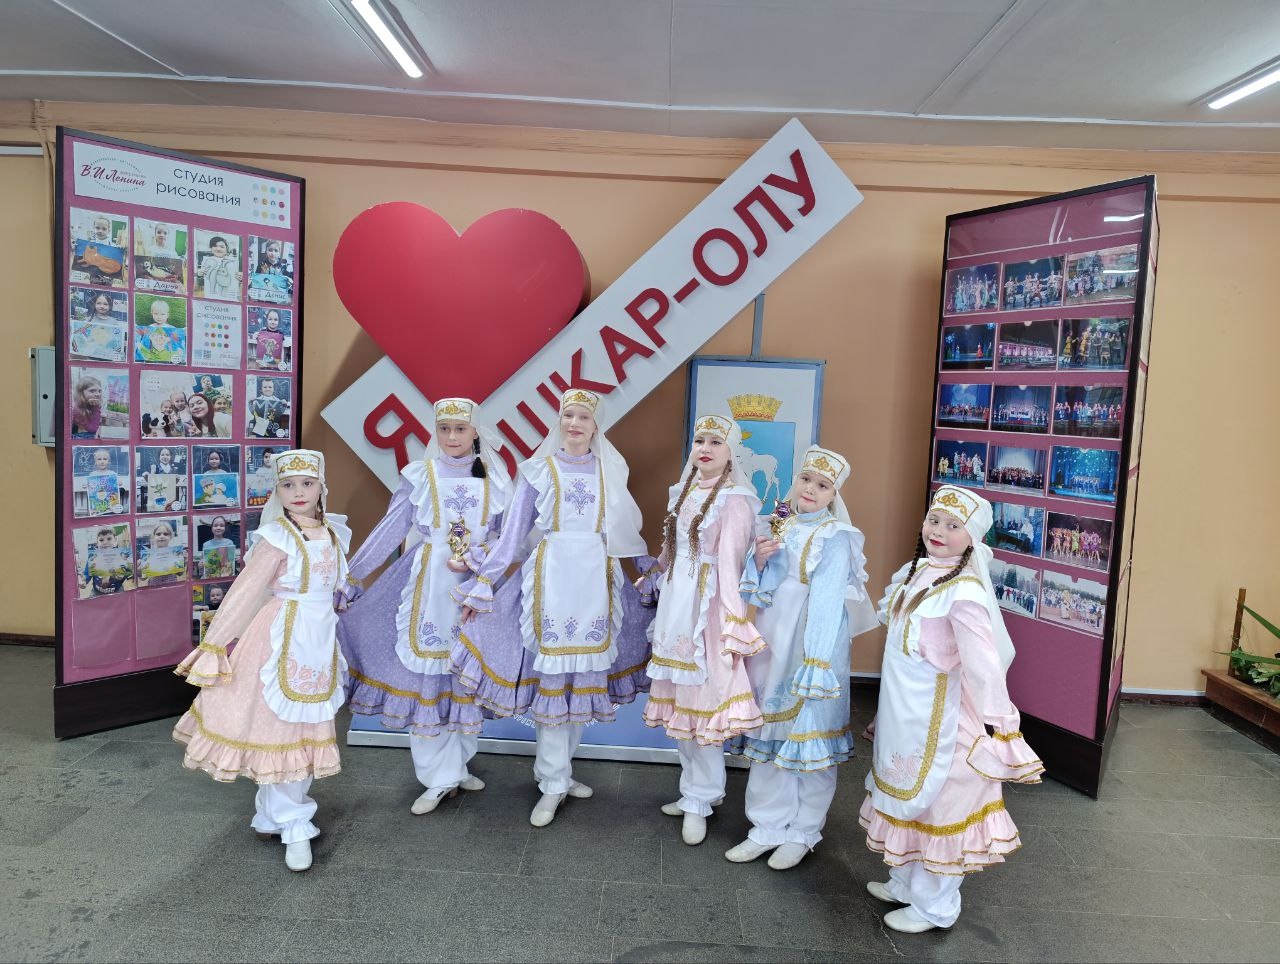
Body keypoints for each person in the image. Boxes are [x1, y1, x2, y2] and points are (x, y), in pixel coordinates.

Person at [451, 388, 655, 828]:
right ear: (559, 421)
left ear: (596, 425)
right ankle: (552, 781)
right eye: (568, 415)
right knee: (553, 683)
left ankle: (559, 773)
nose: (574, 423)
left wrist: (649, 571)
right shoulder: (538, 470)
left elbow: (625, 533)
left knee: (582, 682)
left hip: (596, 581)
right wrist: (484, 583)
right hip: (553, 579)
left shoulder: (609, 469)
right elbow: (512, 536)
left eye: (583, 416)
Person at [860, 485, 1044, 934]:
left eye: (953, 525)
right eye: (934, 520)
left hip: (943, 719)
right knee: (908, 801)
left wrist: (1003, 727)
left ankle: (935, 907)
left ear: (972, 537)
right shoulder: (917, 572)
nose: (938, 530)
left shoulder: (964, 594)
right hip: (905, 713)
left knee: (944, 805)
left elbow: (983, 666)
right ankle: (906, 882)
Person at [173, 449, 351, 872]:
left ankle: (273, 815)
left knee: (305, 726)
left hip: (319, 638)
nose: (298, 492)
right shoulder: (276, 537)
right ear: (277, 490)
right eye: (288, 485)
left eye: (307, 483)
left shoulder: (333, 531)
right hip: (280, 637)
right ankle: (294, 824)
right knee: (280, 725)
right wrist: (216, 644)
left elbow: (335, 585)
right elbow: (245, 592)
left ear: (321, 486)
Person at [338, 398, 511, 815]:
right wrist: (351, 576)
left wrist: (482, 557)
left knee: (466, 678)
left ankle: (458, 765)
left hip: (476, 587)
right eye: (444, 428)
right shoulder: (420, 475)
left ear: (475, 432)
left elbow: (506, 537)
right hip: (430, 583)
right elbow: (389, 530)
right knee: (428, 679)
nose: (451, 436)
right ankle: (437, 776)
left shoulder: (495, 480)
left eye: (460, 429)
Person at [728, 446, 878, 870]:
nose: (810, 489)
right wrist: (759, 560)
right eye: (806, 479)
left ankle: (803, 830)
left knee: (809, 735)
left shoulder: (836, 536)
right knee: (769, 732)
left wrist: (817, 661)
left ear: (834, 494)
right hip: (774, 632)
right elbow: (759, 583)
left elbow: (828, 600)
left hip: (813, 639)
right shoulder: (781, 521)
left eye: (823, 485)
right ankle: (766, 825)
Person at [641, 414, 765, 846]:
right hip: (677, 604)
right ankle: (691, 790)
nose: (705, 448)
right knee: (682, 703)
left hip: (707, 610)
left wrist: (734, 623)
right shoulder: (683, 489)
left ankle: (702, 797)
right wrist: (654, 574)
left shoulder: (736, 499)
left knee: (705, 703)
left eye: (716, 441)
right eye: (699, 440)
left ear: (731, 452)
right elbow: (672, 548)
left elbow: (731, 565)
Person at [79, 526, 132, 596]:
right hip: (96, 592)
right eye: (101, 540)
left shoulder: (122, 557)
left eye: (109, 539)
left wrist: (124, 575)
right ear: (97, 543)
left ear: (115, 540)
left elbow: (129, 575)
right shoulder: (92, 558)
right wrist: (84, 582)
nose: (105, 542)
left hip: (117, 592)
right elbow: (87, 574)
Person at [141, 520, 187, 585]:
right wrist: (140, 570)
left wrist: (183, 561)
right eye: (158, 534)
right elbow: (143, 578)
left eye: (165, 534)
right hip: (154, 586)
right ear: (154, 536)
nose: (162, 536)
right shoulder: (148, 555)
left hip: (171, 586)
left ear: (170, 536)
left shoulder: (175, 553)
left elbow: (180, 573)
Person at [196, 235, 242, 300]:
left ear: (226, 249)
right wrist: (199, 275)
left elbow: (243, 284)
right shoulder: (207, 261)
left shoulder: (234, 263)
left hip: (229, 299)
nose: (218, 249)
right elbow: (200, 284)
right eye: (215, 246)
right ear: (211, 248)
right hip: (211, 299)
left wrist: (241, 279)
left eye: (222, 247)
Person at [199, 514, 239, 578]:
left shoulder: (229, 543)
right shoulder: (206, 545)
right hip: (211, 578)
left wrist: (237, 560)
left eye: (221, 525)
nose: (218, 528)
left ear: (225, 528)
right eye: (215, 525)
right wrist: (200, 565)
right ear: (212, 528)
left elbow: (232, 563)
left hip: (226, 577)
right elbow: (202, 569)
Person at [71, 374, 105, 439]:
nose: (98, 394)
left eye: (99, 391)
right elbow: (92, 428)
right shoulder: (76, 408)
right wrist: (96, 407)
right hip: (81, 437)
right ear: (81, 392)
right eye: (92, 391)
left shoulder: (91, 405)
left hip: (89, 436)